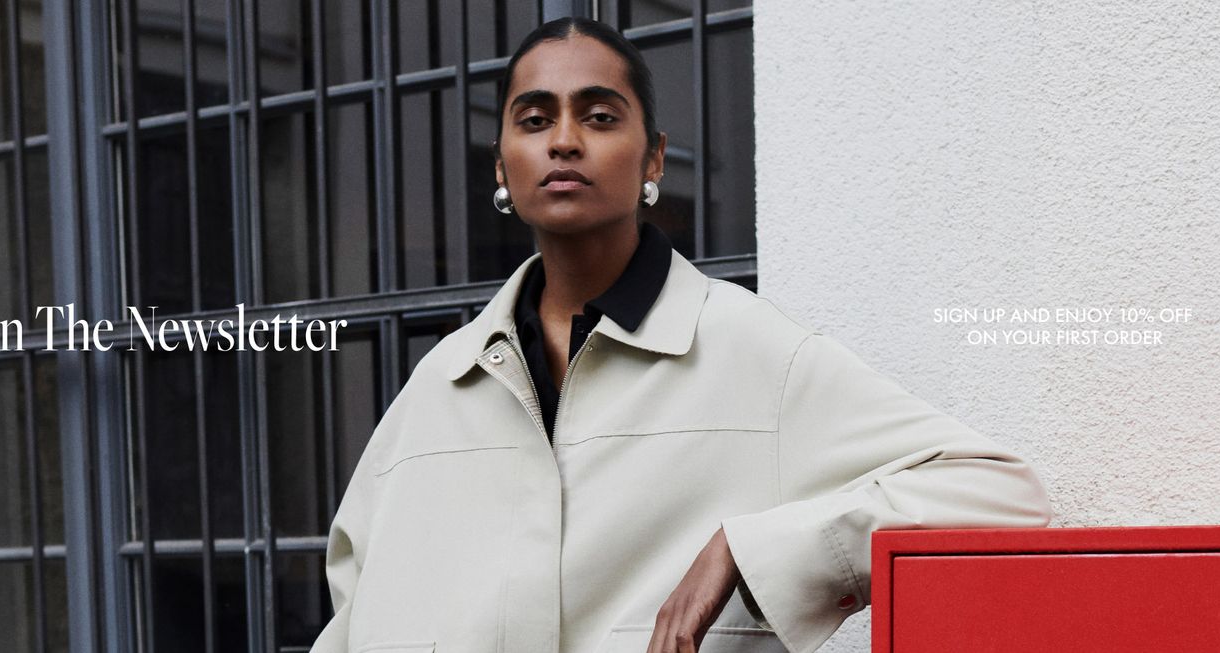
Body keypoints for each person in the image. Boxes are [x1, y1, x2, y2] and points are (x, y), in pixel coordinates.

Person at [311, 16, 1051, 653]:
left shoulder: (750, 350)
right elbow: (351, 606)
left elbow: (998, 492)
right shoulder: (441, 382)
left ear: (654, 157)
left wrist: (749, 551)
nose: (564, 141)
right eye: (534, 120)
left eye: (600, 117)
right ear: (502, 162)